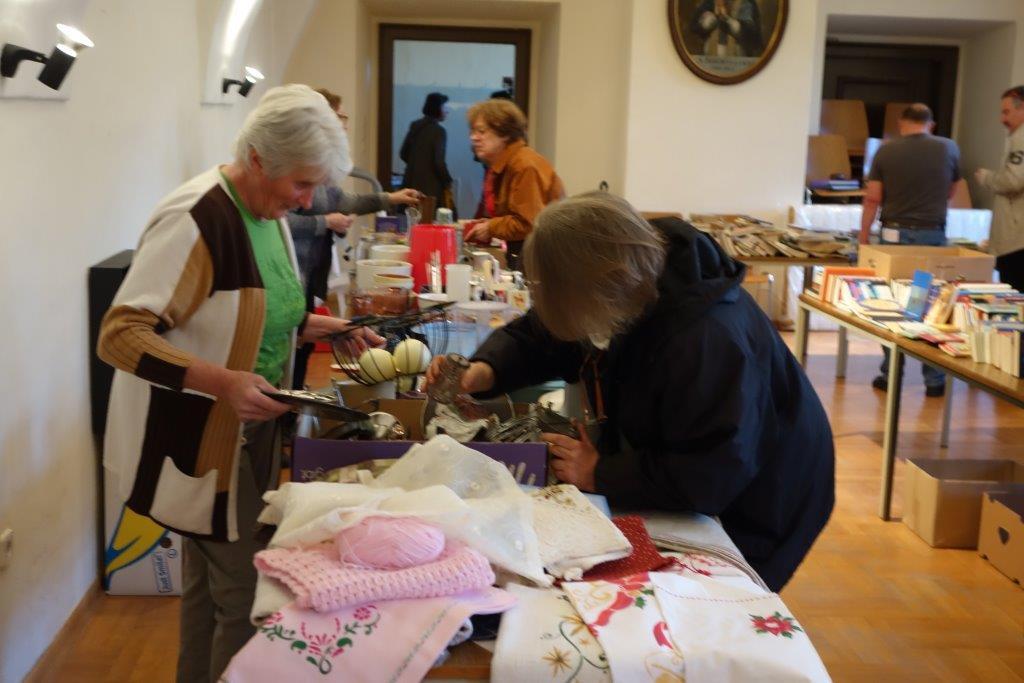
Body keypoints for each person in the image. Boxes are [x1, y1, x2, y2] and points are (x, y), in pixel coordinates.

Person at [97, 84, 381, 682]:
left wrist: (324, 328)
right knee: (248, 594)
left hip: (250, 432)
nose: (306, 200)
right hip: (199, 441)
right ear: (257, 158)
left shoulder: (264, 212)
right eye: (300, 184)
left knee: (208, 590)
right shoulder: (196, 218)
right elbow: (120, 335)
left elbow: (260, 313)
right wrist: (222, 382)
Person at [428, 192, 835, 591]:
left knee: (720, 599)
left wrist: (599, 472)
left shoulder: (706, 341)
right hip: (714, 460)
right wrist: (484, 371)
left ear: (600, 287)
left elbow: (709, 472)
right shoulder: (626, 276)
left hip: (767, 493)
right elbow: (545, 334)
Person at [288, 87, 421, 389]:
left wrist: (390, 198)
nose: (344, 125)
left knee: (303, 343)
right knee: (294, 342)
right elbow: (282, 222)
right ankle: (289, 398)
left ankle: (293, 397)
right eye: (339, 117)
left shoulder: (322, 171)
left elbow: (345, 201)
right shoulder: (300, 169)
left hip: (310, 272)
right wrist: (326, 222)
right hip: (294, 270)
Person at [860, 103, 961, 398]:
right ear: (931, 124)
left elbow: (873, 198)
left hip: (895, 235)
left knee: (894, 304)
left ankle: (890, 374)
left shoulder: (886, 151)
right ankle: (935, 379)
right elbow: (951, 191)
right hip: (933, 234)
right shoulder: (949, 148)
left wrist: (864, 237)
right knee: (933, 304)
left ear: (901, 123)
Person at [464, 98, 564, 271]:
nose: (474, 137)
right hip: (529, 254)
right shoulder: (506, 165)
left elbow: (528, 223)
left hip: (541, 259)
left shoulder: (524, 165)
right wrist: (491, 224)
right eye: (472, 131)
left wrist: (491, 227)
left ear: (505, 133)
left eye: (481, 131)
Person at [975, 85, 1024, 290]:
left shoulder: (1021, 138)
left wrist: (987, 178)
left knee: (1013, 299)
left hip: (1016, 242)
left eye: (1006, 112)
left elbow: (1013, 180)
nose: (1002, 119)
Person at [399, 92, 453, 210]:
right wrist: (448, 180)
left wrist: (417, 165)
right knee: (429, 218)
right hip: (431, 189)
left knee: (410, 217)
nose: (447, 111)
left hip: (411, 183)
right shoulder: (439, 131)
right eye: (445, 107)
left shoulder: (415, 126)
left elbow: (403, 153)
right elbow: (438, 162)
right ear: (437, 108)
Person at [689, 0, 763, 58]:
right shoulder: (710, 2)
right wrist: (705, 23)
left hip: (737, 58)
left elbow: (754, 37)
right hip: (711, 57)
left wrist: (734, 24)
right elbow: (694, 26)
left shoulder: (747, 3)